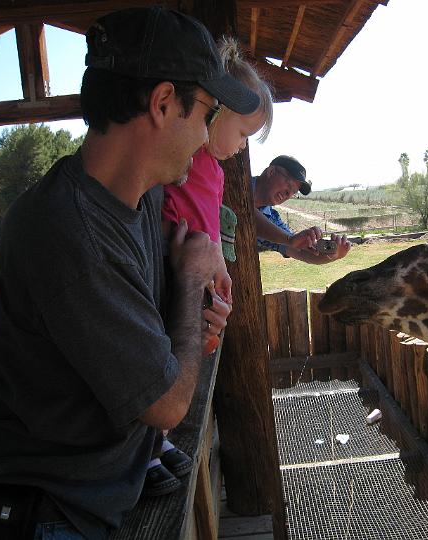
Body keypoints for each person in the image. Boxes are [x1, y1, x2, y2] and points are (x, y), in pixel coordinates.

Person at [0, 7, 259, 540]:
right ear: (163, 103)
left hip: (94, 495)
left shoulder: (140, 201)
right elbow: (166, 403)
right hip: (41, 514)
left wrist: (200, 255)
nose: (207, 135)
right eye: (206, 111)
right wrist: (187, 287)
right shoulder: (66, 230)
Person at [146, 36, 271, 498]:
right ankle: (147, 446)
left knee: (188, 347)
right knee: (157, 351)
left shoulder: (213, 171)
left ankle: (156, 441)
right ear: (214, 112)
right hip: (168, 274)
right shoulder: (182, 161)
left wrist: (220, 273)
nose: (241, 148)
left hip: (194, 275)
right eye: (241, 134)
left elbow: (213, 234)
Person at [253, 155, 352, 264]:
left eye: (293, 193)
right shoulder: (235, 183)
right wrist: (289, 240)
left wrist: (333, 255)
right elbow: (247, 214)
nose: (288, 194)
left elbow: (300, 251)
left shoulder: (271, 219)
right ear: (271, 172)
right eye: (289, 186)